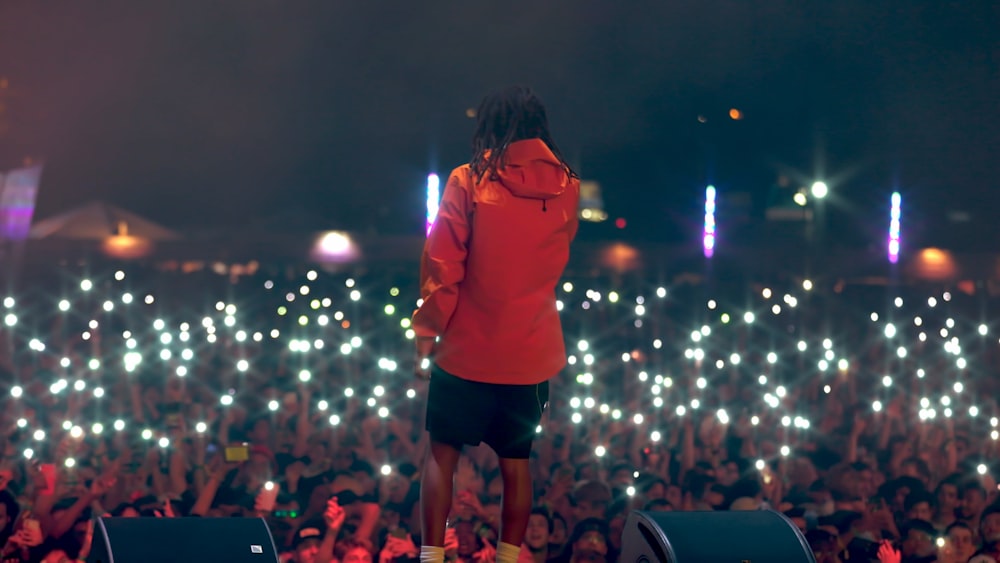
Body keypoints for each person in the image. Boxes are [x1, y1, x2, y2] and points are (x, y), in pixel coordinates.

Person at [412, 85, 580, 563]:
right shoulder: (568, 186)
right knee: (516, 464)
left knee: (442, 456)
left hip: (467, 347)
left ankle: (432, 556)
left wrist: (426, 334)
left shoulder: (468, 179)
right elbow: (556, 258)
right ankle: (509, 558)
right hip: (530, 350)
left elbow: (444, 267)